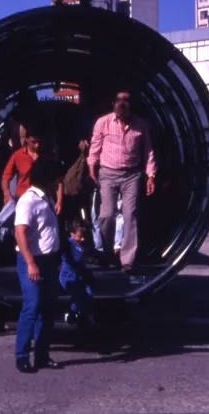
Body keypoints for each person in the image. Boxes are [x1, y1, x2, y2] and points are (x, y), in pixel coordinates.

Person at [87, 89, 156, 274]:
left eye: (126, 100)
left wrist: (151, 176)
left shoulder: (140, 125)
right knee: (107, 215)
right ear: (113, 104)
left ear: (131, 104)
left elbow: (148, 151)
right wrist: (91, 167)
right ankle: (108, 253)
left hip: (132, 175)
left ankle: (127, 260)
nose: (122, 103)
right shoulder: (103, 123)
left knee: (130, 216)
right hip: (108, 173)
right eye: (118, 100)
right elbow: (94, 147)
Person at [13, 158, 65, 373]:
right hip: (32, 261)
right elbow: (20, 232)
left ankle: (42, 355)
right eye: (57, 179)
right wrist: (31, 263)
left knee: (47, 308)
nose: (59, 183)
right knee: (31, 307)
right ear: (48, 180)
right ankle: (22, 355)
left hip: (49, 260)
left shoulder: (47, 199)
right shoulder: (29, 201)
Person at [2, 125, 63, 214]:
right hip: (22, 199)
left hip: (43, 200)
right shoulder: (18, 155)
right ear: (27, 139)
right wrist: (6, 193)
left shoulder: (48, 156)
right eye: (34, 142)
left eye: (39, 142)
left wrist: (59, 202)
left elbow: (58, 181)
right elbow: (6, 176)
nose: (37, 145)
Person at [60, 218, 97, 328]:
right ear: (71, 234)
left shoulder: (82, 244)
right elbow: (72, 259)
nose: (82, 239)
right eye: (80, 236)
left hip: (79, 275)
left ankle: (78, 313)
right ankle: (73, 314)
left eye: (84, 236)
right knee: (79, 296)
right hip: (68, 277)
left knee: (89, 293)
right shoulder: (68, 244)